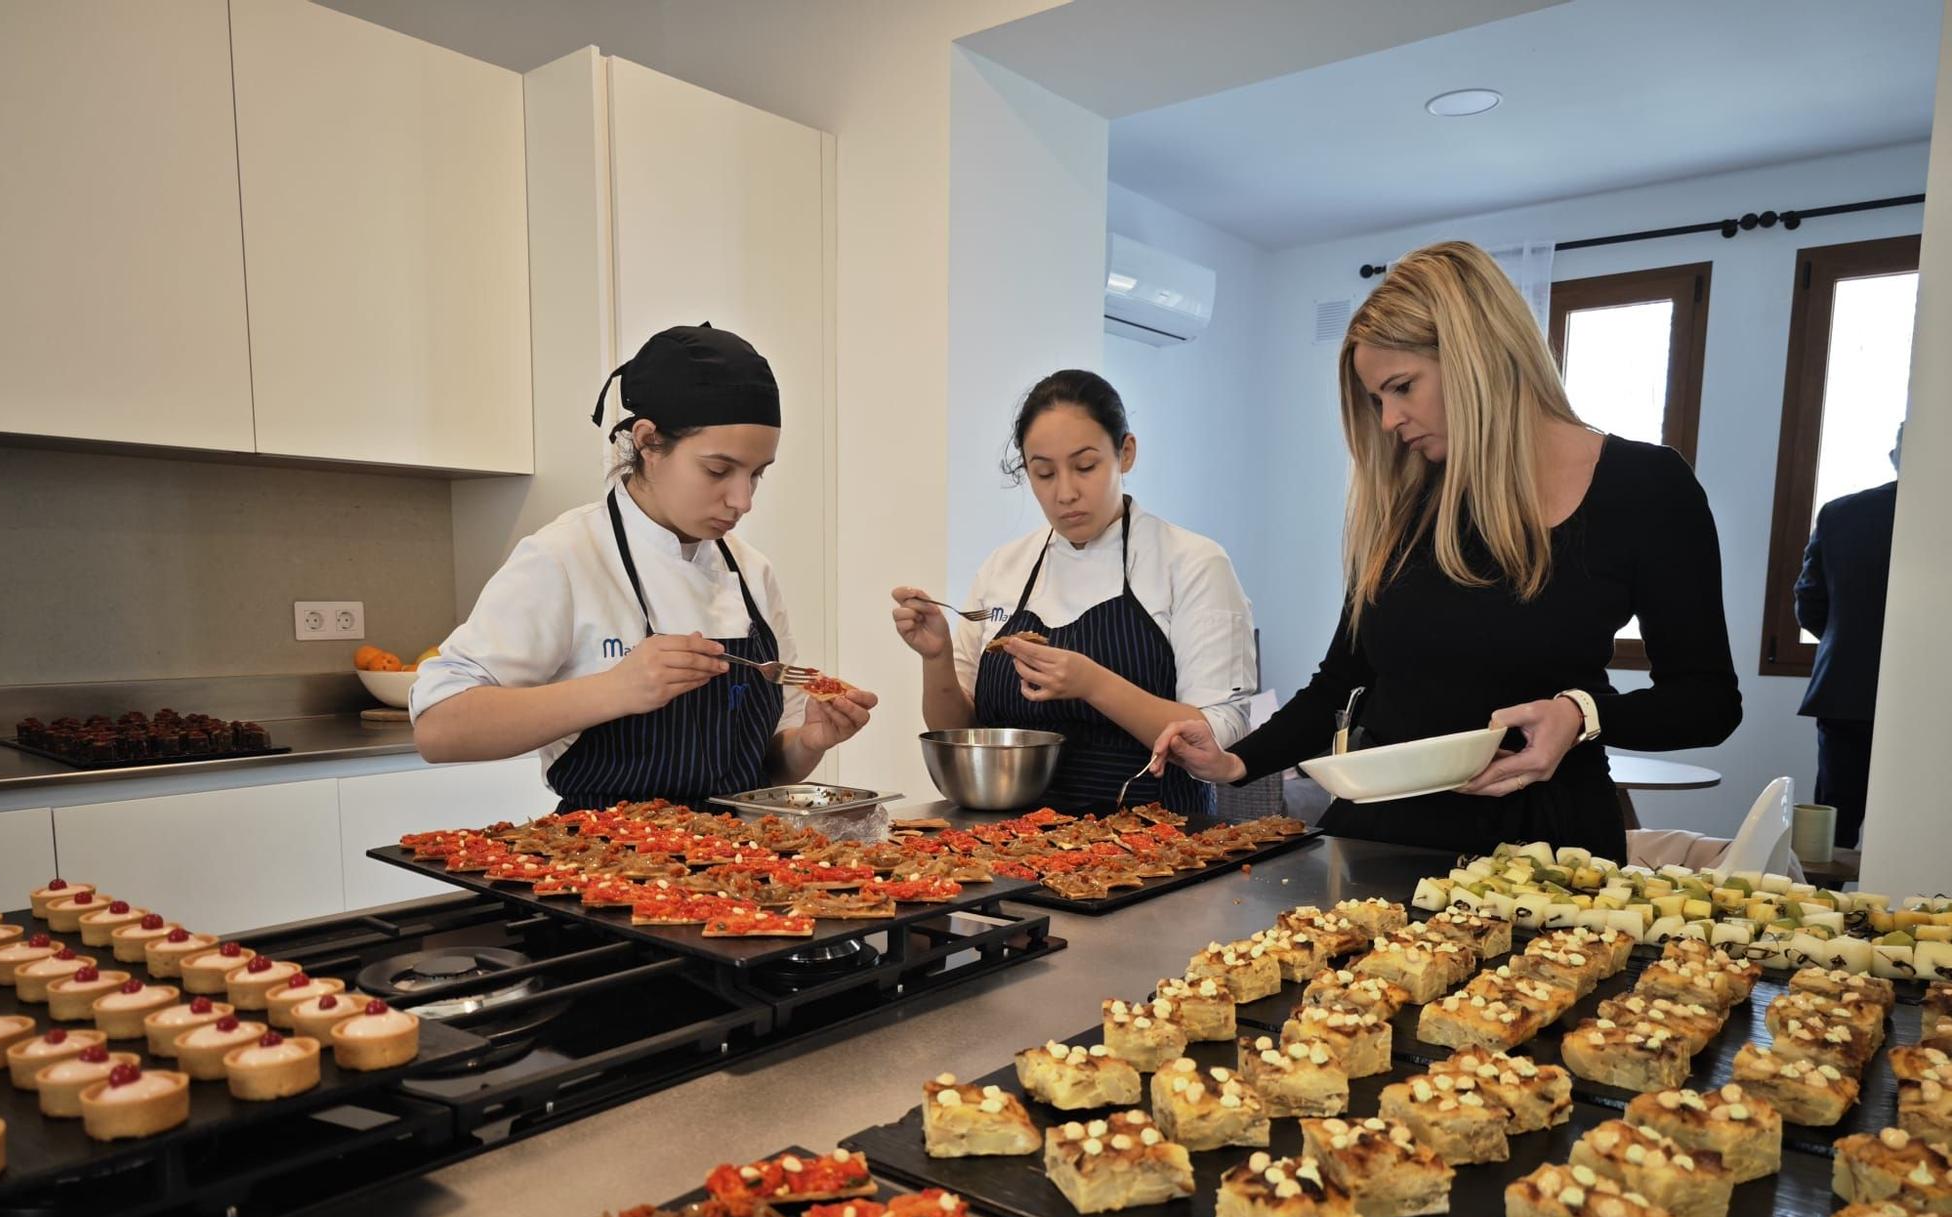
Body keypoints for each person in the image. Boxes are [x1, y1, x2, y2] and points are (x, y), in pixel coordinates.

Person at [1148, 241, 1741, 860]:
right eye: (1377, 399)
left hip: (1545, 857)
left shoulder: (1645, 488)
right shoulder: (1404, 498)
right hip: (1377, 844)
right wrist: (1237, 760)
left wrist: (1581, 713)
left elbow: (1707, 702)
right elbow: (1342, 683)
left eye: (1402, 387)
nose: (1387, 421)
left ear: (1476, 357)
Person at [411, 323, 875, 808]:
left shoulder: (750, 572)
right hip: (604, 865)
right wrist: (615, 690)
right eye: (718, 470)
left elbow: (768, 766)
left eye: (756, 474)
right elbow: (440, 728)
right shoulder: (565, 557)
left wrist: (807, 744)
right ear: (649, 442)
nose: (743, 501)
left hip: (742, 861)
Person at [891, 370, 1257, 813]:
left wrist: (1092, 683)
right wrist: (937, 658)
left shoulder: (1193, 563)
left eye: (1085, 466)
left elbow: (1220, 732)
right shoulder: (1004, 568)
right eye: (1043, 473)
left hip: (1159, 846)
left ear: (1126, 453)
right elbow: (961, 731)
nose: (1065, 493)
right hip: (1013, 845)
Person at [1794, 422, 1902, 848]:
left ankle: (1822, 911)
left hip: (1848, 690)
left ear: (1896, 456)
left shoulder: (1841, 514)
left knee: (1834, 829)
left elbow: (1810, 604)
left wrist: (1856, 642)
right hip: (1933, 699)